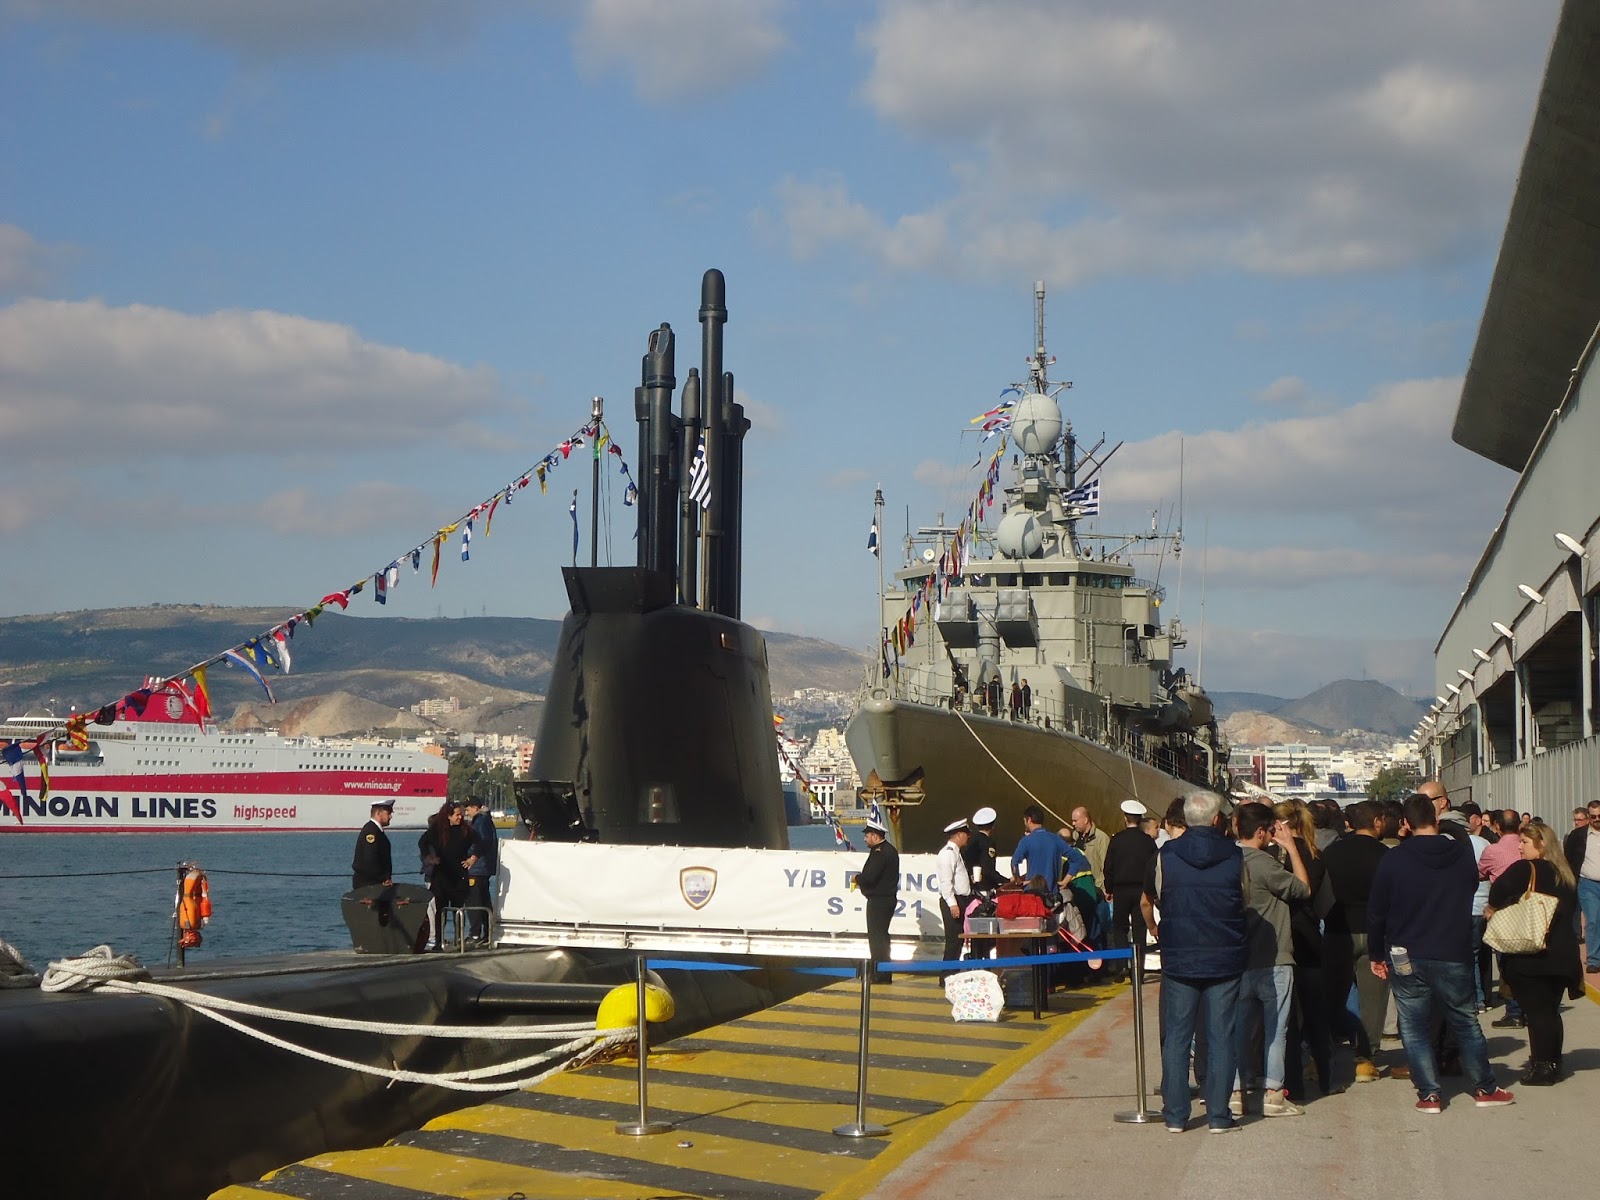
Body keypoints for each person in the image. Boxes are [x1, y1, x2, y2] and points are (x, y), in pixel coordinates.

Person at [1367, 793, 1515, 1114]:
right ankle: (1484, 1087)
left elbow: (1377, 911)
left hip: (1406, 951)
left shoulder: (1394, 858)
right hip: (1452, 948)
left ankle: (1429, 1094)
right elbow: (1471, 887)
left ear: (1405, 824)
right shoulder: (1460, 854)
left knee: (1414, 1025)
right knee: (1465, 1020)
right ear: (1436, 819)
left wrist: (1376, 953)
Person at [1147, 791, 1247, 1135]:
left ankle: (1176, 1115)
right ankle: (1218, 1115)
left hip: (1180, 954)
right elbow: (1244, 898)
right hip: (1224, 954)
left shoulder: (1166, 855)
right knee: (1221, 1037)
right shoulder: (1235, 855)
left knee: (1177, 1036)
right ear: (1217, 820)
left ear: (1185, 820)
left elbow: (1160, 895)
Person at [1230, 802, 1310, 1118]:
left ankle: (1236, 1092)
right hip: (1274, 958)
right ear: (1262, 832)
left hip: (1238, 960)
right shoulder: (1265, 865)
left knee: (1239, 1029)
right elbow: (1302, 888)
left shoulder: (1228, 861)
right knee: (1276, 1030)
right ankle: (1274, 1094)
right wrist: (1290, 847)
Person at [1488, 821, 1583, 1084]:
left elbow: (1498, 891)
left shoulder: (1525, 869)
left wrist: (1498, 906)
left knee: (1537, 1011)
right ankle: (1553, 1061)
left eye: (1524, 842)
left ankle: (1542, 1067)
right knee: (1550, 1010)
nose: (1519, 847)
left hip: (1533, 953)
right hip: (1563, 953)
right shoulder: (1564, 873)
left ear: (1541, 844)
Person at [1319, 800, 1391, 1083]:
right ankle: (1365, 1059)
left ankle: (1320, 1053)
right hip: (1375, 932)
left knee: (1331, 996)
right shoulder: (1386, 855)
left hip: (1339, 929)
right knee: (1374, 999)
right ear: (1377, 822)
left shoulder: (1332, 853)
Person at [417, 800, 483, 951]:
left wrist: (473, 858)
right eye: (457, 815)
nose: (460, 817)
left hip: (459, 874)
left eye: (461, 815)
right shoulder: (437, 830)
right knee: (440, 910)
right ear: (448, 816)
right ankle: (438, 941)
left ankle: (459, 940)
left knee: (458, 908)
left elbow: (480, 842)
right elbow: (422, 842)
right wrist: (429, 857)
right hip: (441, 874)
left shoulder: (465, 830)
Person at [1104, 798, 1158, 979]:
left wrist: (1109, 888)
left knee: (1120, 929)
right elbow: (1154, 867)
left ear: (1125, 818)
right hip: (1142, 890)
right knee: (1139, 930)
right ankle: (1138, 971)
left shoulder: (1116, 840)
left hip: (1121, 890)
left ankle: (1121, 967)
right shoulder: (1148, 842)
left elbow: (1109, 867)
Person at [857, 818, 900, 984]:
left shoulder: (879, 853)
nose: (865, 839)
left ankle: (879, 974)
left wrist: (857, 879)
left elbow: (870, 877)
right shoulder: (890, 850)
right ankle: (884, 973)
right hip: (887, 899)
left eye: (867, 836)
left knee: (877, 939)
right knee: (882, 937)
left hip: (879, 900)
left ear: (875, 836)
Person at [1562, 799, 1600, 974]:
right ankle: (1594, 959)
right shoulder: (1577, 836)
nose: (1597, 819)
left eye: (1599, 816)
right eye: (1593, 816)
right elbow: (1569, 858)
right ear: (1588, 816)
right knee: (1593, 920)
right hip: (1588, 884)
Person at [935, 818, 973, 978]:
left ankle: (952, 973)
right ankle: (947, 975)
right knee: (953, 940)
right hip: (953, 900)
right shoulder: (948, 854)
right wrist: (952, 904)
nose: (968, 837)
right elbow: (946, 882)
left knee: (958, 940)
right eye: (966, 834)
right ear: (959, 835)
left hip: (960, 900)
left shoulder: (956, 853)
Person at [1011, 804, 1071, 890]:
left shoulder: (1026, 841)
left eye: (1025, 821)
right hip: (1052, 892)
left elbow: (1014, 862)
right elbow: (1077, 858)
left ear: (1029, 820)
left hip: (1033, 891)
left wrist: (1018, 880)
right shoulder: (1056, 839)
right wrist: (1065, 881)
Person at [464, 798, 499, 944]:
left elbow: (482, 841)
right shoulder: (486, 820)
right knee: (484, 900)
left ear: (475, 808)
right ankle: (488, 932)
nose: (467, 813)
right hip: (484, 867)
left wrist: (471, 856)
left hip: (477, 867)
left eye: (468, 809)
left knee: (474, 901)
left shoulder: (480, 821)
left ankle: (475, 934)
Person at [351, 799, 395, 890]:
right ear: (378, 813)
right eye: (388, 813)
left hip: (374, 883)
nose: (390, 816)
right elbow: (370, 859)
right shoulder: (371, 831)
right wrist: (383, 878)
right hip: (368, 884)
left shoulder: (376, 831)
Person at [963, 806, 1008, 892]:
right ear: (992, 826)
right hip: (983, 887)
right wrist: (1005, 881)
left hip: (969, 885)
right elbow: (988, 869)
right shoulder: (988, 843)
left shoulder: (970, 840)